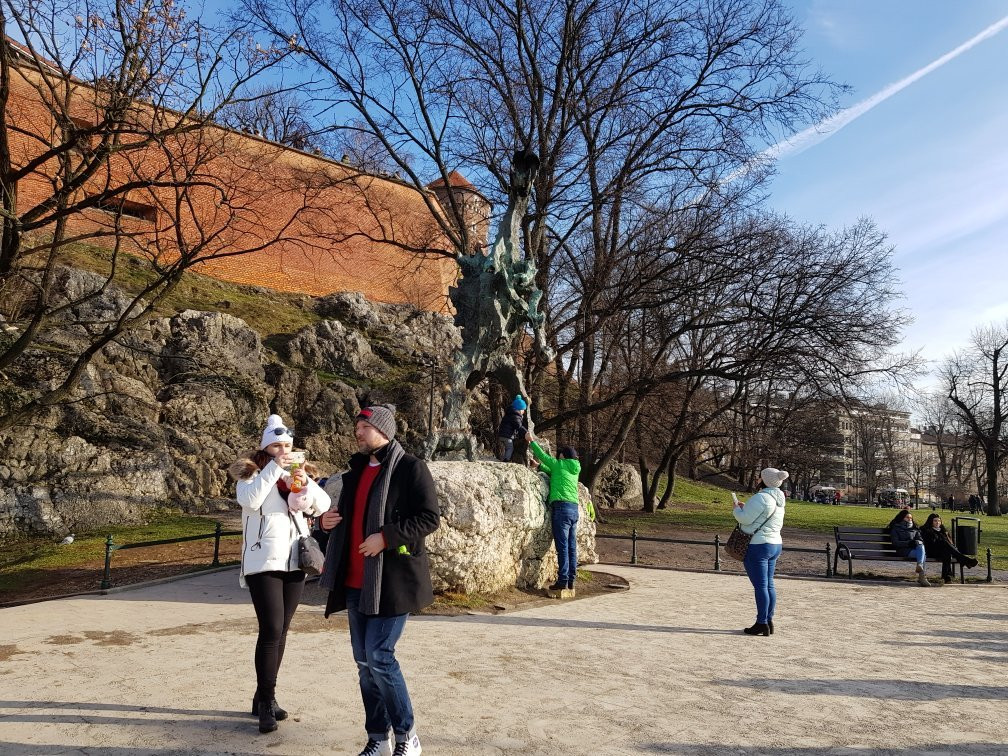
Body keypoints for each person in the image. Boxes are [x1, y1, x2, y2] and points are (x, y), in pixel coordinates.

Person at [319, 404, 440, 756]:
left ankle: (407, 736)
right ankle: (378, 738)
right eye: (356, 425)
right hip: (356, 582)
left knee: (380, 656)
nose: (358, 431)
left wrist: (385, 537)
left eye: (364, 426)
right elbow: (345, 518)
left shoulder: (410, 468)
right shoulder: (355, 472)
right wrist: (325, 523)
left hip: (393, 581)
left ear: (384, 430)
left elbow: (429, 518)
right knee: (364, 663)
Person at [229, 414, 331, 733]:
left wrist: (303, 481)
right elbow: (251, 500)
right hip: (263, 562)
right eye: (277, 445)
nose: (283, 450)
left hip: (294, 562)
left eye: (287, 445)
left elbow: (323, 504)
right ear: (266, 447)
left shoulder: (297, 474)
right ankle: (267, 704)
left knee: (282, 630)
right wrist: (275, 468)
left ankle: (263, 697)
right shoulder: (251, 473)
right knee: (271, 629)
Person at [526, 430, 582, 595]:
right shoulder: (574, 470)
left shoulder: (559, 464)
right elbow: (554, 470)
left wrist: (531, 441)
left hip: (562, 509)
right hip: (573, 509)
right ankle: (571, 581)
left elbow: (543, 456)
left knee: (562, 547)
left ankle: (562, 580)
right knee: (572, 547)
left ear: (563, 457)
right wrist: (540, 467)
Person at [733, 468, 787, 636]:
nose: (757, 479)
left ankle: (761, 623)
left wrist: (736, 509)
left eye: (759, 477)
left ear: (764, 480)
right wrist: (746, 507)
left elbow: (745, 519)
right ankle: (768, 620)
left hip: (759, 545)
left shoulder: (761, 497)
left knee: (760, 586)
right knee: (769, 584)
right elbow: (759, 515)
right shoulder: (780, 499)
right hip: (775, 544)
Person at [920, 512, 979, 583]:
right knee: (944, 543)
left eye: (939, 521)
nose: (937, 522)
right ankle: (965, 560)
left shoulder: (944, 531)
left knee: (946, 552)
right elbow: (930, 543)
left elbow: (951, 543)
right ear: (930, 521)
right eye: (935, 521)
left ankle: (947, 577)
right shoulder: (926, 530)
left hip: (943, 551)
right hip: (931, 551)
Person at [886, 508, 930, 587]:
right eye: (907, 517)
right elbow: (895, 543)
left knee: (921, 546)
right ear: (902, 518)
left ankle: (920, 565)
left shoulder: (915, 529)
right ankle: (922, 577)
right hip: (903, 550)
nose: (909, 519)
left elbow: (920, 540)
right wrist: (909, 543)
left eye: (911, 518)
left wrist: (916, 542)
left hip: (915, 550)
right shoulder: (896, 528)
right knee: (923, 555)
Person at [496, 395, 527, 462]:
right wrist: (526, 432)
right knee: (510, 447)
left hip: (503, 434)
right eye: (523, 410)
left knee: (507, 447)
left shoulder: (510, 414)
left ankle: (504, 458)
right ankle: (506, 460)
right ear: (519, 409)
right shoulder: (515, 416)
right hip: (506, 436)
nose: (523, 412)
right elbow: (519, 426)